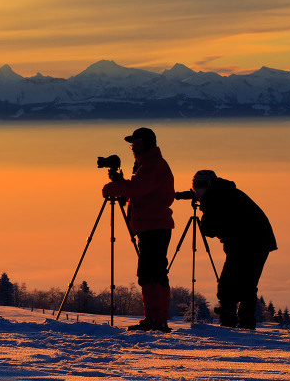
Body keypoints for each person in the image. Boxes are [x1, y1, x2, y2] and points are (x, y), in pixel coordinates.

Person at [102, 127, 175, 332]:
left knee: (151, 273)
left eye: (135, 144)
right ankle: (156, 319)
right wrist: (122, 184)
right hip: (151, 225)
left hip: (154, 226)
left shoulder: (153, 165)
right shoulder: (146, 165)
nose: (132, 148)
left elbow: (138, 189)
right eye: (131, 145)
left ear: (145, 144)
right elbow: (138, 192)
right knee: (153, 272)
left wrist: (113, 188)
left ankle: (155, 319)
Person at [191, 170, 277, 330]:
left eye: (198, 187)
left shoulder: (215, 197)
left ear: (207, 186)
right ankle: (242, 322)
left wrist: (204, 207)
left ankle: (234, 322)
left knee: (234, 283)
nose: (196, 191)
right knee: (243, 283)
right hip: (256, 240)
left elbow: (208, 229)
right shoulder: (223, 191)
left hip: (250, 242)